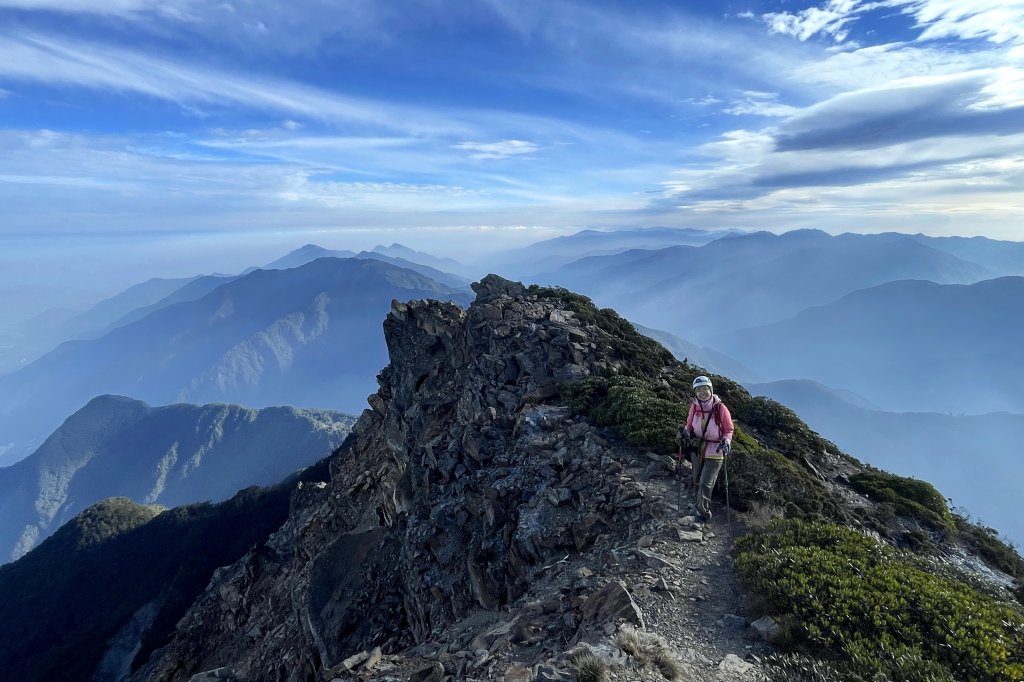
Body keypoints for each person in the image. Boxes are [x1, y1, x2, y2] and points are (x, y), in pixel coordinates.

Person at [678, 375, 734, 523]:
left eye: (705, 389)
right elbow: (689, 425)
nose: (702, 393)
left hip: (715, 450)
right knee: (696, 479)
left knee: (705, 482)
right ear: (695, 392)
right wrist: (684, 432)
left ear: (711, 390)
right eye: (699, 390)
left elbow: (728, 429)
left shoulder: (720, 408)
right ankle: (698, 505)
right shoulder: (695, 406)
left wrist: (726, 441)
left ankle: (703, 513)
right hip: (698, 448)